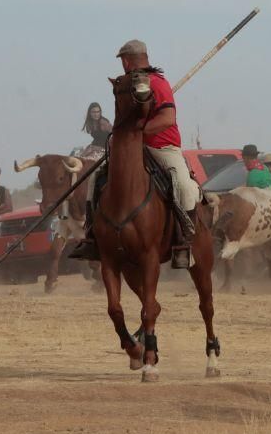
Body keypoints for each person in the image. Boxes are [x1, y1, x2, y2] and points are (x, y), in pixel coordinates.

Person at [70, 39, 201, 268]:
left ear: (126, 60)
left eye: (122, 60)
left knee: (185, 185)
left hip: (162, 148)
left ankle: (183, 242)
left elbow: (167, 119)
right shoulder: (126, 86)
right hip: (132, 150)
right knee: (95, 179)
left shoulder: (158, 83)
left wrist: (138, 132)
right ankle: (91, 237)